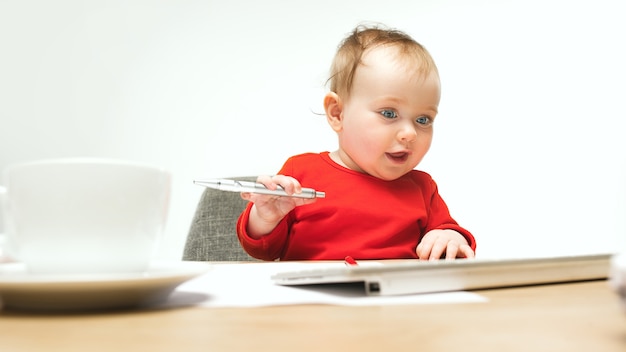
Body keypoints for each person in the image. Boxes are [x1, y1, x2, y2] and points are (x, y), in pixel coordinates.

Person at [236, 24, 476, 261]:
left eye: (423, 119)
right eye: (389, 113)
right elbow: (264, 250)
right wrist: (265, 218)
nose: (409, 133)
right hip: (315, 297)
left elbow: (450, 235)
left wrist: (449, 237)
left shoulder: (423, 188)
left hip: (396, 297)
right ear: (338, 113)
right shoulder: (299, 175)